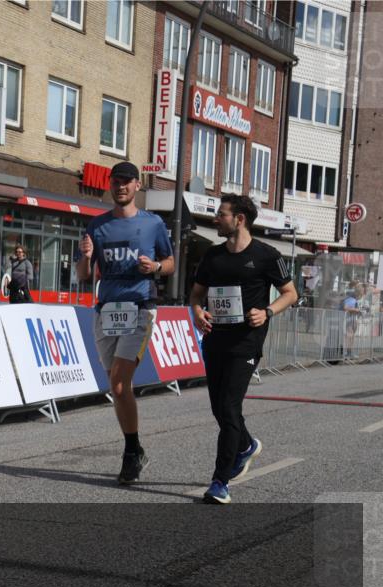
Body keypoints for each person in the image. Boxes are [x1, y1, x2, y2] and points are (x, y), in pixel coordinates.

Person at [190, 194, 297, 504]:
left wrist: (267, 311)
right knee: (218, 409)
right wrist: (197, 313)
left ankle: (220, 481)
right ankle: (247, 445)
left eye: (221, 214)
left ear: (239, 219)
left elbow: (290, 293)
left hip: (246, 342)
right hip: (215, 339)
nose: (216, 219)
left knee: (229, 407)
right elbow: (196, 295)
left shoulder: (266, 255)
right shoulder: (212, 257)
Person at [76, 161, 174, 484]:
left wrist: (156, 267)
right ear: (110, 185)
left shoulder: (153, 224)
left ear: (137, 186)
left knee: (119, 383)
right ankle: (136, 449)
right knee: (117, 389)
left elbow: (171, 264)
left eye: (127, 182)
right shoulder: (97, 226)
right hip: (107, 311)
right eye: (116, 181)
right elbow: (84, 277)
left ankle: (131, 452)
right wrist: (86, 257)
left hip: (140, 308)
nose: (120, 186)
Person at [341, 281, 365, 359]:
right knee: (349, 336)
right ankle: (346, 353)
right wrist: (357, 310)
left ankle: (349, 353)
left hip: (354, 320)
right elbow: (345, 308)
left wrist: (360, 312)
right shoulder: (351, 298)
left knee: (351, 337)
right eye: (362, 293)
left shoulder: (355, 299)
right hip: (349, 320)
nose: (362, 295)